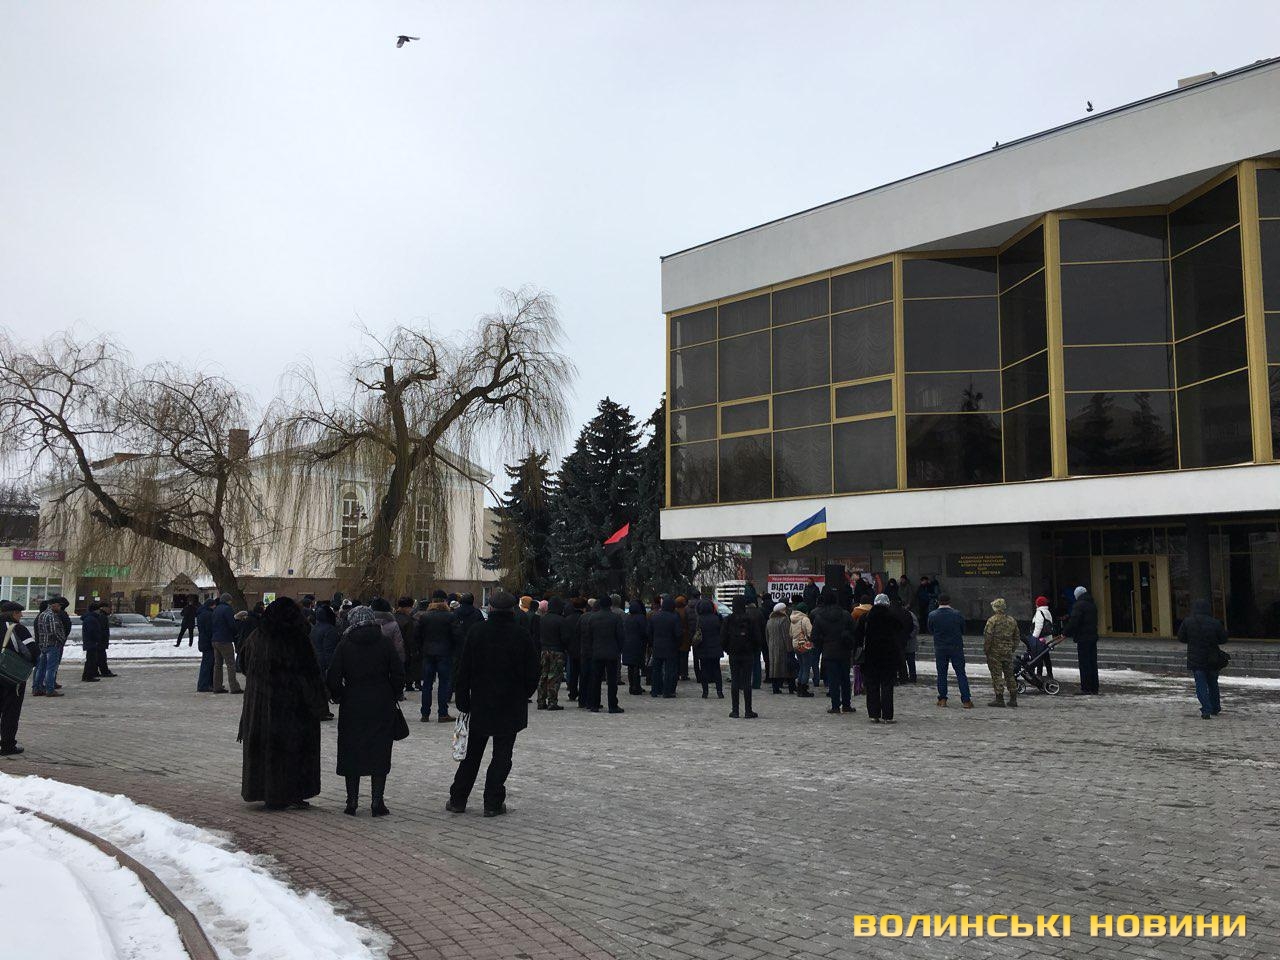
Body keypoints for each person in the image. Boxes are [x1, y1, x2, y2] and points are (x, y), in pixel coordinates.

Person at [447, 591, 539, 817]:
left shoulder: (477, 631)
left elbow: (464, 668)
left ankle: (458, 799)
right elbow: (532, 671)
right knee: (502, 755)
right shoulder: (521, 635)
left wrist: (462, 698)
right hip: (510, 703)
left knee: (472, 754)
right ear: (512, 611)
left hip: (480, 702)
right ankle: (493, 802)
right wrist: (523, 693)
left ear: (490, 609)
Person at [238, 597, 328, 810]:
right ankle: (294, 793)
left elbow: (242, 663)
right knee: (293, 750)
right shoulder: (298, 639)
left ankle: (265, 791)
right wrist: (318, 703)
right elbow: (310, 674)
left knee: (264, 750)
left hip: (259, 707)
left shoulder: (256, 636)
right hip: (292, 707)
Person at [326, 605, 406, 816]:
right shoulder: (385, 643)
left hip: (353, 702)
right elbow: (398, 672)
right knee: (380, 749)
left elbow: (333, 675)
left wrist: (339, 694)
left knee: (351, 748)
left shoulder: (345, 644)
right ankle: (377, 802)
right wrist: (393, 693)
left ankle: (351, 801)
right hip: (381, 702)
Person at [416, 590, 463, 723]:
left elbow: (417, 635)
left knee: (427, 685)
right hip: (445, 653)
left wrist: (422, 648)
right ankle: (442, 713)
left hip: (428, 653)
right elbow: (457, 635)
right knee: (443, 684)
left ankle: (425, 713)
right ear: (445, 601)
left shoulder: (424, 617)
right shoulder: (450, 617)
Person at [1178, 599, 1228, 719]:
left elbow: (1181, 637)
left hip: (1195, 658)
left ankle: (1206, 709)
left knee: (1200, 685)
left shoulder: (1188, 622)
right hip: (1212, 658)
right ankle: (1215, 707)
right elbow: (1223, 639)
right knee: (1213, 684)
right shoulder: (1215, 623)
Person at [0, 600, 38, 755]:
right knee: (10, 711)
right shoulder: (17, 628)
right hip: (11, 678)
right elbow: (32, 651)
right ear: (14, 614)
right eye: (20, 613)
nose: (21, 615)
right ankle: (7, 745)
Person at [859, 594, 903, 723]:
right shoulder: (893, 618)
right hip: (888, 657)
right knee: (887, 686)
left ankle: (874, 714)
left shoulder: (865, 618)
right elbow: (901, 634)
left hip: (870, 657)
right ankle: (887, 716)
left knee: (872, 686)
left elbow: (858, 636)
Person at [811, 588, 854, 714]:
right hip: (844, 651)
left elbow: (814, 636)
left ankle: (835, 705)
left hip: (829, 652)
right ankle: (846, 704)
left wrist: (824, 642)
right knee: (845, 679)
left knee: (833, 680)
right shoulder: (845, 614)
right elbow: (853, 630)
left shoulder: (819, 617)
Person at [582, 595, 625, 713]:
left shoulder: (593, 618)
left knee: (596, 680)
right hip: (612, 652)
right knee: (612, 681)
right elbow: (620, 636)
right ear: (610, 604)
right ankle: (612, 705)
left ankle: (594, 704)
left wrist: (591, 649)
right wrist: (619, 649)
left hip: (596, 652)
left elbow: (588, 636)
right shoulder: (616, 618)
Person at [928, 594, 972, 708]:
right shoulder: (957, 614)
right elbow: (963, 629)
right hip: (956, 647)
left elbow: (931, 629)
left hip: (940, 647)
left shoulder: (932, 615)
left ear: (938, 602)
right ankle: (966, 700)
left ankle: (942, 699)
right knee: (961, 673)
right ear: (949, 601)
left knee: (942, 673)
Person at [722, 596, 762, 718]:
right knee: (746, 682)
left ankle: (735, 710)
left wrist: (728, 649)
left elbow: (723, 638)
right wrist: (753, 649)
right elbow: (757, 638)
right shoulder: (750, 620)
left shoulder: (728, 620)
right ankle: (748, 710)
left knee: (735, 681)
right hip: (748, 654)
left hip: (734, 654)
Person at [982, 598, 1020, 708]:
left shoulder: (992, 620)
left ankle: (999, 698)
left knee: (997, 675)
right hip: (1007, 652)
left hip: (994, 652)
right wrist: (1012, 648)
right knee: (1010, 675)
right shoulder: (1012, 620)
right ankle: (1013, 698)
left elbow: (988, 637)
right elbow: (1017, 637)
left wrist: (986, 650)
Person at [1064, 586, 1100, 695]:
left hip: (1083, 638)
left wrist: (1065, 632)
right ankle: (1094, 687)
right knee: (1092, 663)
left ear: (1077, 595)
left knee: (1084, 664)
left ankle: (1086, 688)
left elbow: (1074, 621)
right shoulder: (1092, 604)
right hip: (1092, 637)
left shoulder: (1079, 605)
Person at [32, 595, 70, 698]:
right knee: (51, 668)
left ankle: (36, 688)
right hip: (52, 645)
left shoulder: (42, 615)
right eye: (59, 606)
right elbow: (55, 631)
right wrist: (62, 640)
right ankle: (50, 689)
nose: (60, 608)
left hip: (43, 645)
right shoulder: (52, 616)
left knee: (41, 668)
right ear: (54, 605)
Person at [538, 597, 569, 708]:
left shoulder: (543, 619)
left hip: (544, 650)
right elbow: (565, 638)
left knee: (543, 675)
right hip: (557, 651)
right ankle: (552, 701)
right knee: (554, 677)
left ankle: (541, 701)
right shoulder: (561, 620)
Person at [649, 596, 682, 699]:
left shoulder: (655, 616)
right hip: (671, 647)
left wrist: (652, 643)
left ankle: (655, 690)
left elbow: (649, 632)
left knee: (656, 670)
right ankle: (667, 691)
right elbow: (678, 633)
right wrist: (677, 644)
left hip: (657, 646)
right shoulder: (674, 617)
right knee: (669, 670)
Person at [211, 593, 242, 695]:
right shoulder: (227, 609)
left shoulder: (216, 609)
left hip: (215, 640)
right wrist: (236, 630)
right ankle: (234, 687)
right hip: (225, 640)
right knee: (231, 664)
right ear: (228, 600)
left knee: (217, 665)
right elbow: (232, 624)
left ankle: (217, 686)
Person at [693, 597, 724, 699]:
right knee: (716, 669)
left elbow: (697, 633)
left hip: (703, 647)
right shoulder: (717, 618)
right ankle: (719, 691)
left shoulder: (700, 619)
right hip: (715, 647)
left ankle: (705, 691)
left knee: (704, 670)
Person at [621, 599, 650, 696]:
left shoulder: (627, 618)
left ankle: (631, 686)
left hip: (627, 644)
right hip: (638, 644)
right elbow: (644, 631)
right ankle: (636, 686)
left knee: (630, 666)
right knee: (637, 666)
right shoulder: (641, 618)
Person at [766, 602, 796, 694]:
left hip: (772, 647)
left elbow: (767, 635)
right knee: (788, 668)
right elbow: (787, 635)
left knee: (774, 668)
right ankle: (791, 687)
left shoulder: (769, 621)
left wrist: (769, 645)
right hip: (783, 647)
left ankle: (775, 688)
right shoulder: (784, 620)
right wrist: (790, 648)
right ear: (782, 610)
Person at [563, 597, 587, 704]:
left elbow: (565, 635)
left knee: (573, 672)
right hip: (583, 648)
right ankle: (583, 695)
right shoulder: (585, 618)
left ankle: (572, 692)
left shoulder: (567, 619)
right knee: (583, 673)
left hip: (572, 648)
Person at [395, 596, 420, 692]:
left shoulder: (393, 617)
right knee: (407, 665)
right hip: (405, 647)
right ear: (406, 607)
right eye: (410, 607)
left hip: (394, 647)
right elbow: (410, 637)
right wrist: (413, 650)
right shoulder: (408, 620)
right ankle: (408, 684)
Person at [80, 601, 110, 683]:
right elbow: (93, 631)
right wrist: (97, 639)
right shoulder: (91, 619)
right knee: (91, 660)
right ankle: (88, 676)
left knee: (91, 660)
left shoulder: (91, 618)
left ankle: (88, 675)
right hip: (92, 643)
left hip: (91, 642)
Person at [790, 603, 815, 697]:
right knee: (806, 667)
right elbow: (810, 632)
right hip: (804, 644)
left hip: (795, 644)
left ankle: (799, 687)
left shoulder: (792, 619)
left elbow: (790, 633)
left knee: (801, 666)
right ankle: (803, 689)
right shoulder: (805, 619)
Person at [1030, 595, 1055, 682]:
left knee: (1039, 657)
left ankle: (1039, 674)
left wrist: (1034, 638)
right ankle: (1050, 674)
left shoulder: (1039, 612)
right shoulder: (1047, 612)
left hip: (1040, 639)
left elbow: (1039, 626)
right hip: (1047, 638)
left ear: (1038, 604)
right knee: (1046, 657)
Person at [195, 596, 217, 692]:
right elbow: (210, 629)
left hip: (203, 641)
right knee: (208, 664)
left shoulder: (201, 613)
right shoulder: (208, 615)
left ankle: (206, 684)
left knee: (206, 663)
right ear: (211, 606)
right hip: (208, 642)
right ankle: (204, 685)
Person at [895, 597, 919, 684]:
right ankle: (908, 677)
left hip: (909, 641)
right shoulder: (908, 614)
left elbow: (916, 627)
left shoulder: (910, 614)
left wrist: (909, 636)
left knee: (910, 661)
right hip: (906, 641)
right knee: (907, 661)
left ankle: (912, 677)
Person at [674, 595, 694, 681]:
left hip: (677, 637)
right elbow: (689, 623)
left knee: (677, 657)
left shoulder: (674, 611)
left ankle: (677, 673)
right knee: (684, 657)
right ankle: (684, 674)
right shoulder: (686, 611)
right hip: (685, 637)